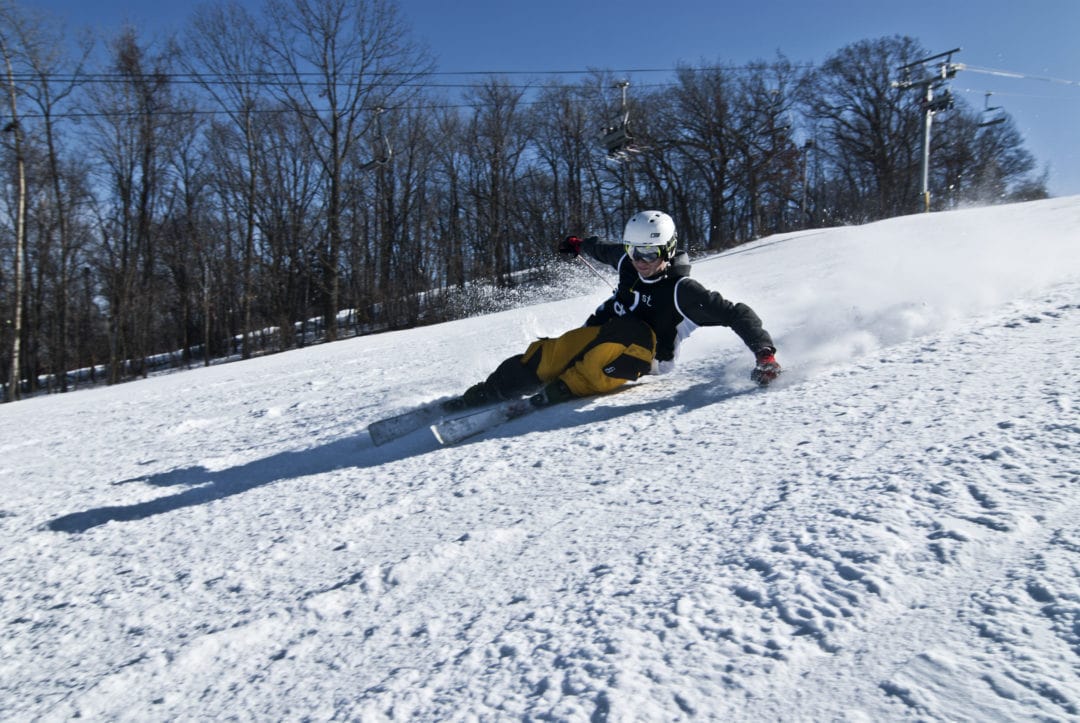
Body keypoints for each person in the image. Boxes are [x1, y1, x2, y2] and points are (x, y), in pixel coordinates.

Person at [444, 210, 780, 412]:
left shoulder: (683, 292)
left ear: (669, 249)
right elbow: (600, 247)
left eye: (650, 253)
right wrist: (578, 244)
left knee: (629, 329)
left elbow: (738, 313)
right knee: (551, 352)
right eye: (635, 251)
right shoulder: (627, 262)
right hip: (607, 338)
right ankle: (488, 393)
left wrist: (764, 354)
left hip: (644, 357)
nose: (640, 261)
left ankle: (562, 389)